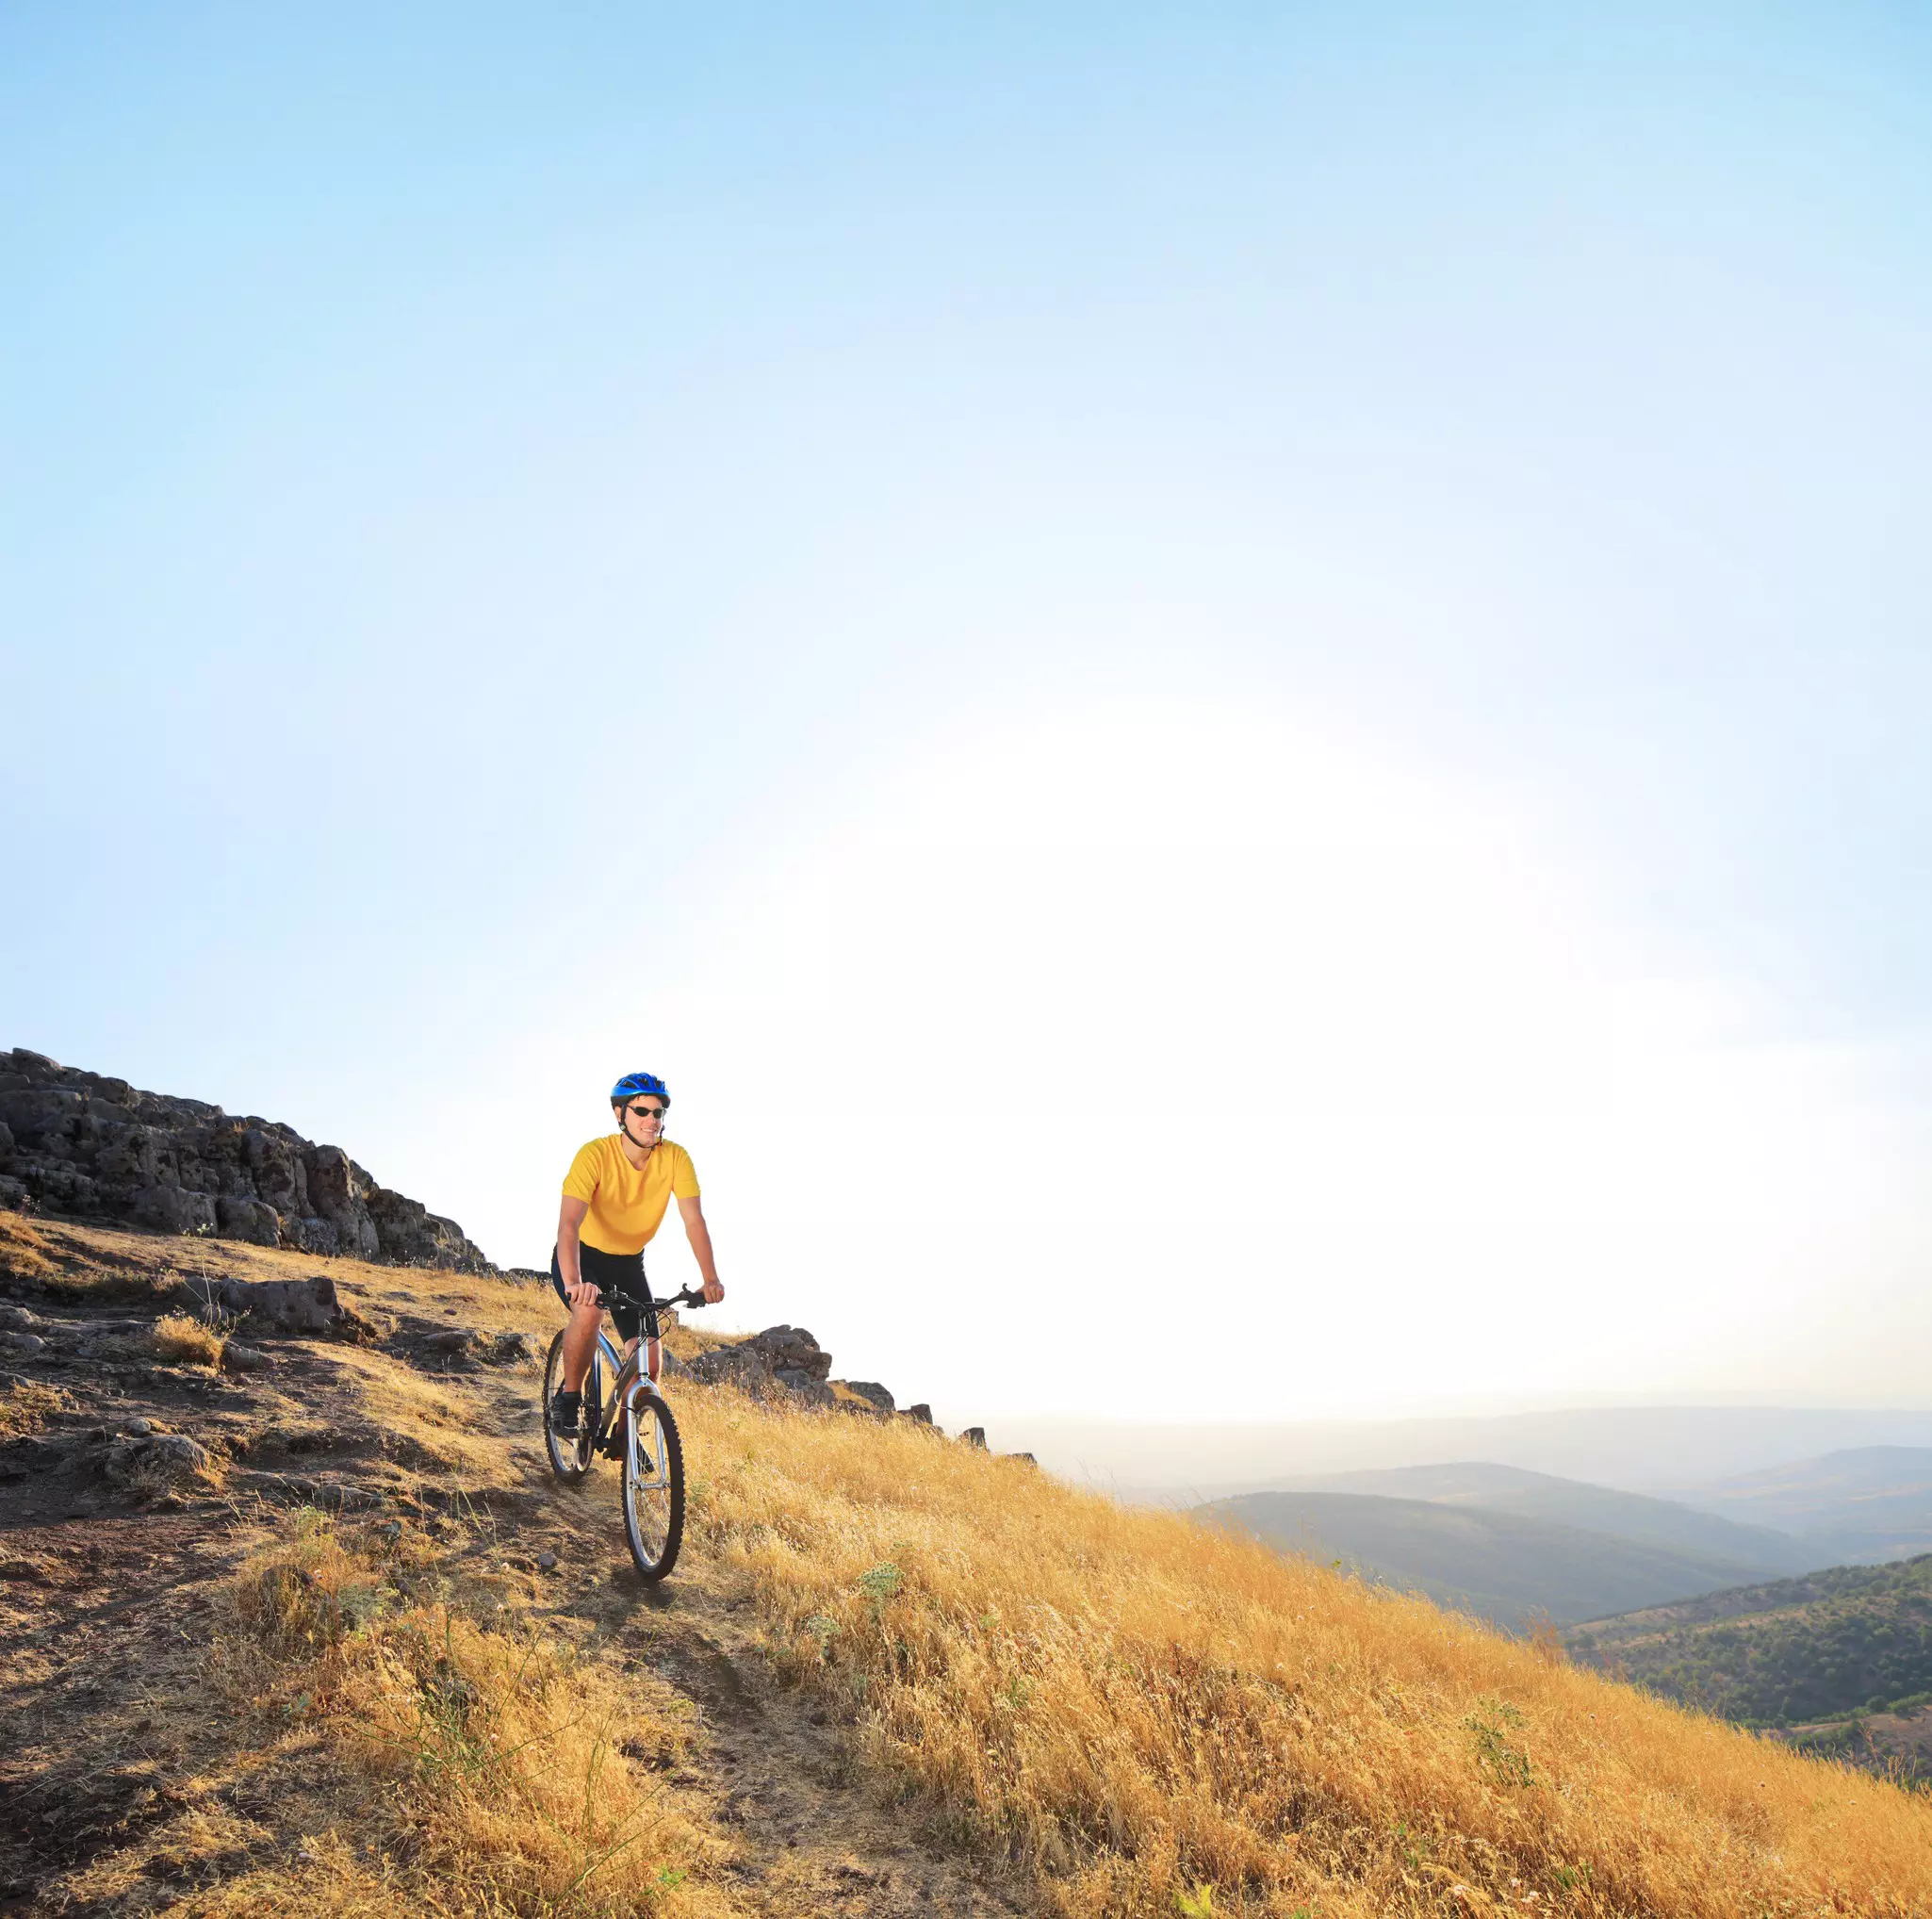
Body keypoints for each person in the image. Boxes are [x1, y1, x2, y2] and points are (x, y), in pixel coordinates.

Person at [548, 1071, 725, 1437]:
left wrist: (710, 1278)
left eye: (658, 1113)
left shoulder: (676, 1159)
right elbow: (568, 1225)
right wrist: (575, 1283)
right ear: (619, 1114)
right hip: (583, 1256)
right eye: (641, 1111)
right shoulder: (595, 1155)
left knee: (650, 1361)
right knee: (588, 1311)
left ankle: (625, 1438)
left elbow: (694, 1221)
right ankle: (567, 1398)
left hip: (628, 1264)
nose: (651, 1120)